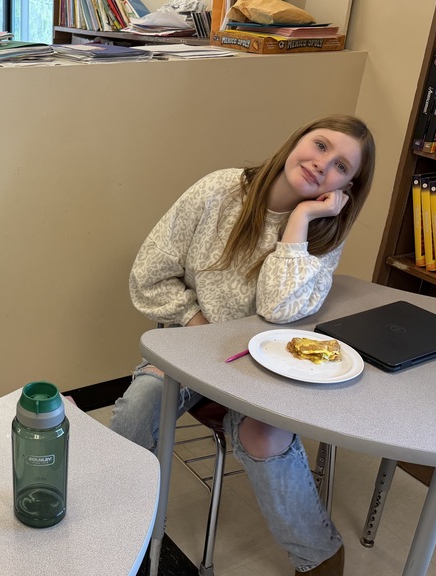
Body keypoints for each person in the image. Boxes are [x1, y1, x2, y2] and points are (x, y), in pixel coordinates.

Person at [110, 114, 375, 576]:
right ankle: (116, 524)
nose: (321, 164)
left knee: (265, 434)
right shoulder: (219, 190)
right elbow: (149, 273)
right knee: (141, 403)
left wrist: (300, 221)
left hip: (268, 366)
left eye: (340, 166)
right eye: (319, 145)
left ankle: (319, 557)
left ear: (346, 188)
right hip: (193, 346)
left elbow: (279, 310)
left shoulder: (324, 231)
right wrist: (198, 324)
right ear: (297, 139)